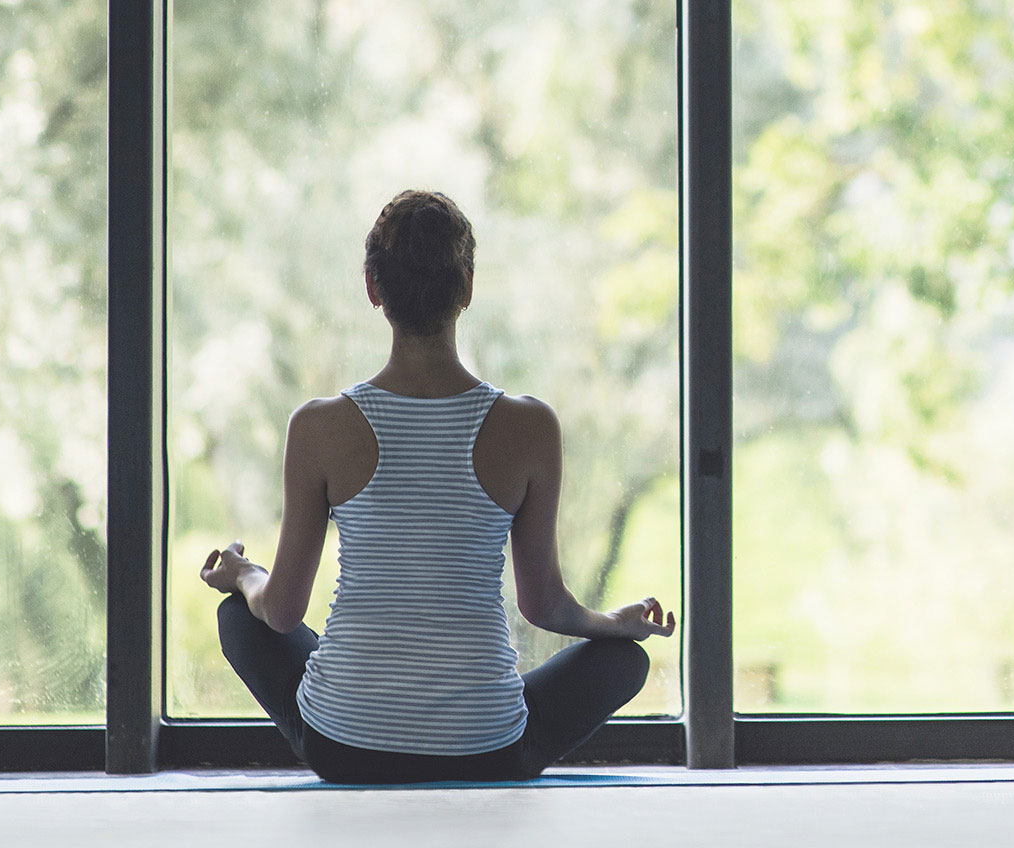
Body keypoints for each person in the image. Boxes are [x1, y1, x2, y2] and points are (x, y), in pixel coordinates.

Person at [198, 189, 676, 784]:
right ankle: (470, 712)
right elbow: (543, 605)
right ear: (467, 286)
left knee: (237, 617)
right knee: (623, 661)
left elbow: (282, 612)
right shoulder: (530, 426)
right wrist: (614, 623)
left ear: (373, 289)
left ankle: (385, 710)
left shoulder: (318, 426)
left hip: (342, 747)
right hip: (491, 751)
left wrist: (242, 573)